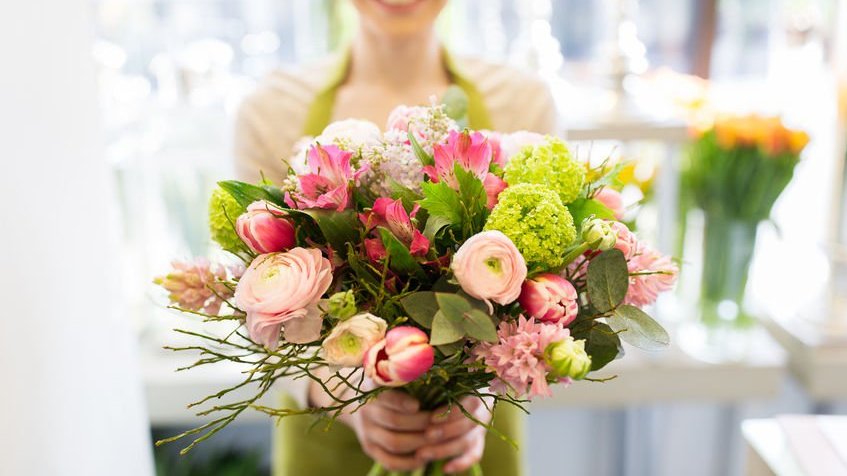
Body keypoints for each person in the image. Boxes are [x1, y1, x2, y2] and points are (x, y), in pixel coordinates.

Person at [233, 1, 558, 474]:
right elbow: (254, 307)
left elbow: (550, 289)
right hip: (326, 441)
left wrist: (478, 391)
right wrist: (347, 395)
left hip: (470, 441)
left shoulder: (521, 102)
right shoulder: (273, 110)